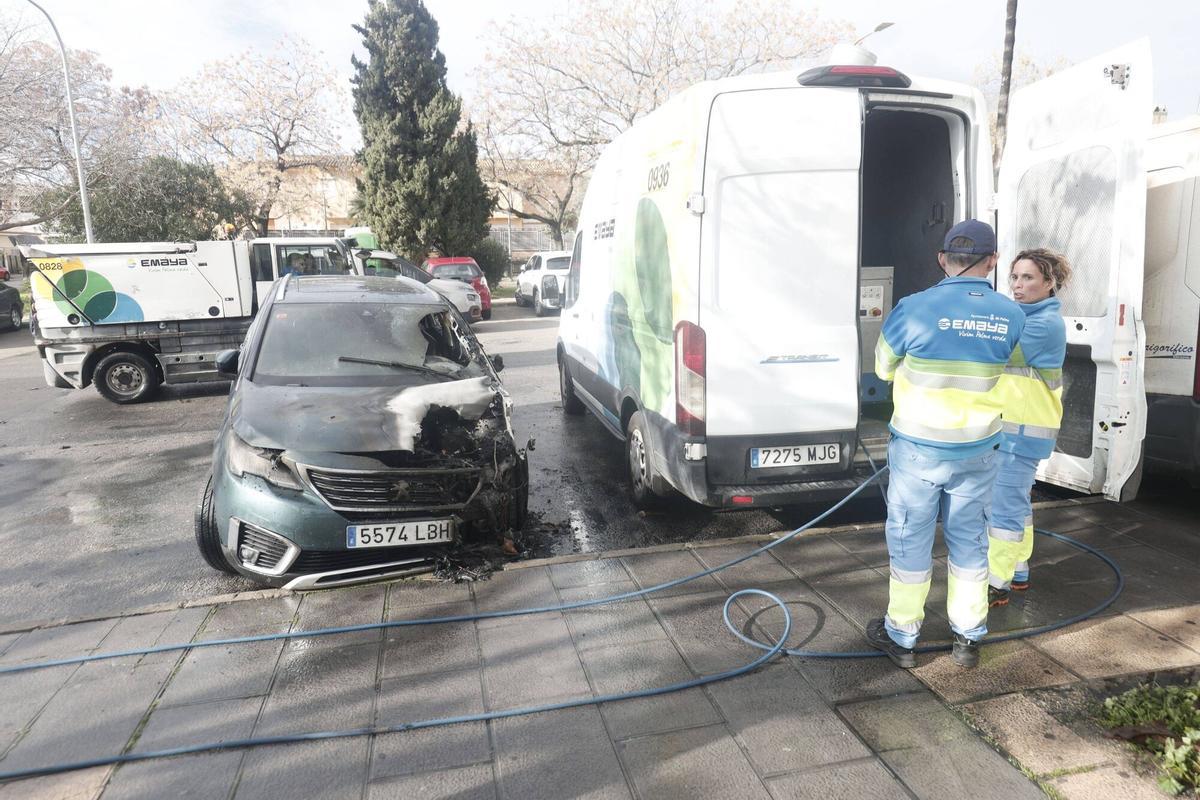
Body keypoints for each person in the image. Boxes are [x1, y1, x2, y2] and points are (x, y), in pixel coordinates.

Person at [866, 219, 1024, 669]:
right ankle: (968, 637)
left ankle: (902, 634)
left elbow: (882, 368)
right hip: (978, 448)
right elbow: (1012, 376)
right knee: (970, 538)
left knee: (909, 537)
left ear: (942, 260)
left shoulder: (913, 308)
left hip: (919, 449)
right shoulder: (1012, 315)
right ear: (993, 261)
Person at [987, 249, 1072, 607]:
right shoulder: (1023, 316)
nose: (1018, 286)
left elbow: (1002, 354)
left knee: (1002, 507)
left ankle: (996, 583)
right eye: (1015, 277)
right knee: (1016, 503)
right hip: (1018, 429)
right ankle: (1018, 570)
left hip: (1022, 432)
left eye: (1029, 278)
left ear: (1049, 284)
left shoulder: (1044, 323)